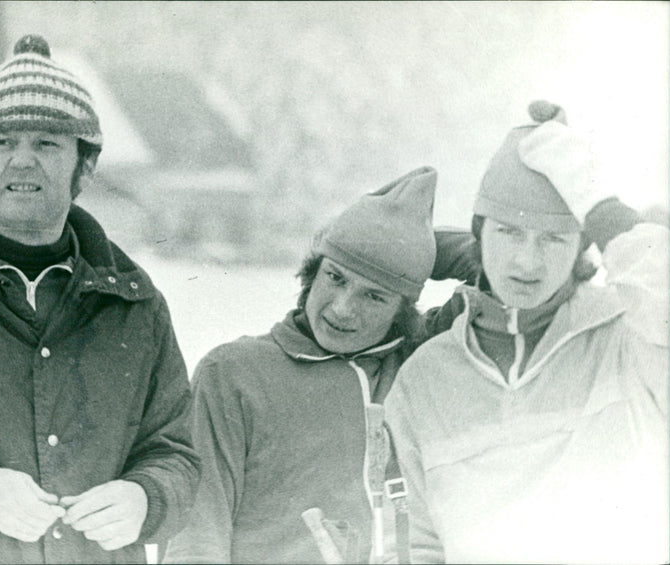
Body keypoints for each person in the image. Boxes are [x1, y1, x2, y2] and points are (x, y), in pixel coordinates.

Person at [0, 35, 199, 564]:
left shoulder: (135, 302)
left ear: (85, 169)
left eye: (47, 143)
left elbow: (176, 453)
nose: (22, 161)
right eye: (2, 142)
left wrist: (147, 497)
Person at [385, 101, 670, 564]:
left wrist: (592, 198)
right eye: (509, 233)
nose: (527, 263)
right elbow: (419, 544)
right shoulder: (424, 380)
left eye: (553, 238)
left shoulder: (626, 339)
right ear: (479, 235)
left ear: (584, 244)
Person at [163, 166, 478, 564]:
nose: (343, 309)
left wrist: (419, 250)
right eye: (335, 277)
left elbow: (504, 282)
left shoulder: (420, 360)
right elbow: (197, 537)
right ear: (312, 273)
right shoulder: (233, 374)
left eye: (375, 296)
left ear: (403, 310)